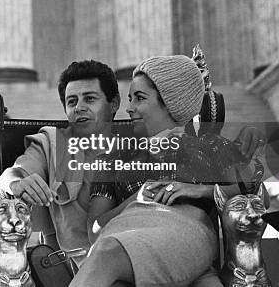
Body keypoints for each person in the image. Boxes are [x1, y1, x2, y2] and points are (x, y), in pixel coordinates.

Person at [71, 55, 263, 287]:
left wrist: (198, 190)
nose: (129, 108)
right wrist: (136, 199)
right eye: (130, 99)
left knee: (105, 252)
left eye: (139, 98)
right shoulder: (114, 157)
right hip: (125, 235)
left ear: (171, 101)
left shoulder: (210, 147)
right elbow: (95, 230)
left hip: (183, 233)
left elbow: (257, 196)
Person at [0, 60, 121, 267]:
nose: (79, 108)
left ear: (114, 102)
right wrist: (17, 184)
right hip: (73, 271)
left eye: (89, 99)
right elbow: (13, 173)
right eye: (72, 101)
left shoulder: (137, 147)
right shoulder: (54, 143)